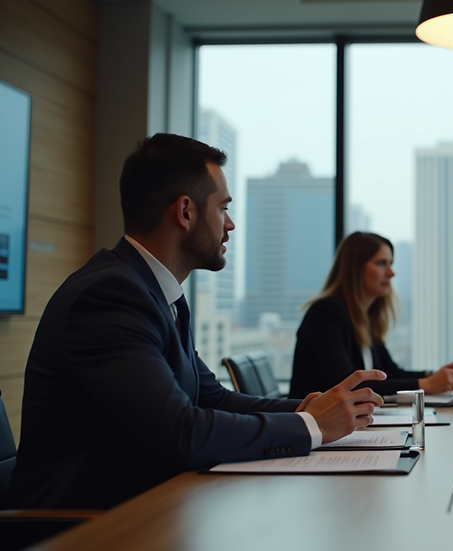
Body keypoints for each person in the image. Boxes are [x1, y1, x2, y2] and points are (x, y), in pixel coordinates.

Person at [10, 134, 386, 510]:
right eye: (223, 208)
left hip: (151, 510)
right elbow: (182, 432)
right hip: (84, 529)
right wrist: (312, 426)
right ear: (185, 212)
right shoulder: (110, 295)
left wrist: (312, 409)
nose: (231, 224)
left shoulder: (155, 292)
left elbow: (213, 398)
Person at [289, 232, 453, 399]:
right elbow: (347, 384)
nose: (391, 273)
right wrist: (426, 384)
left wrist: (433, 375)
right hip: (314, 427)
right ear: (356, 269)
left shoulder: (364, 317)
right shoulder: (326, 312)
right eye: (381, 263)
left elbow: (388, 373)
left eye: (390, 263)